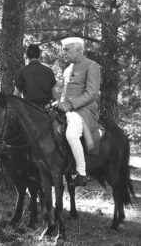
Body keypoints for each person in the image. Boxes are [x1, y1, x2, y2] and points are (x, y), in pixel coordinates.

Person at [58, 37, 101, 186]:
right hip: (66, 108)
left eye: (66, 50)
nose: (63, 53)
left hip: (84, 110)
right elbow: (64, 92)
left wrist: (70, 105)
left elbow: (91, 93)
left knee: (71, 134)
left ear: (79, 50)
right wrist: (58, 104)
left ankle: (81, 173)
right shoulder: (67, 69)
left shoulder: (92, 65)